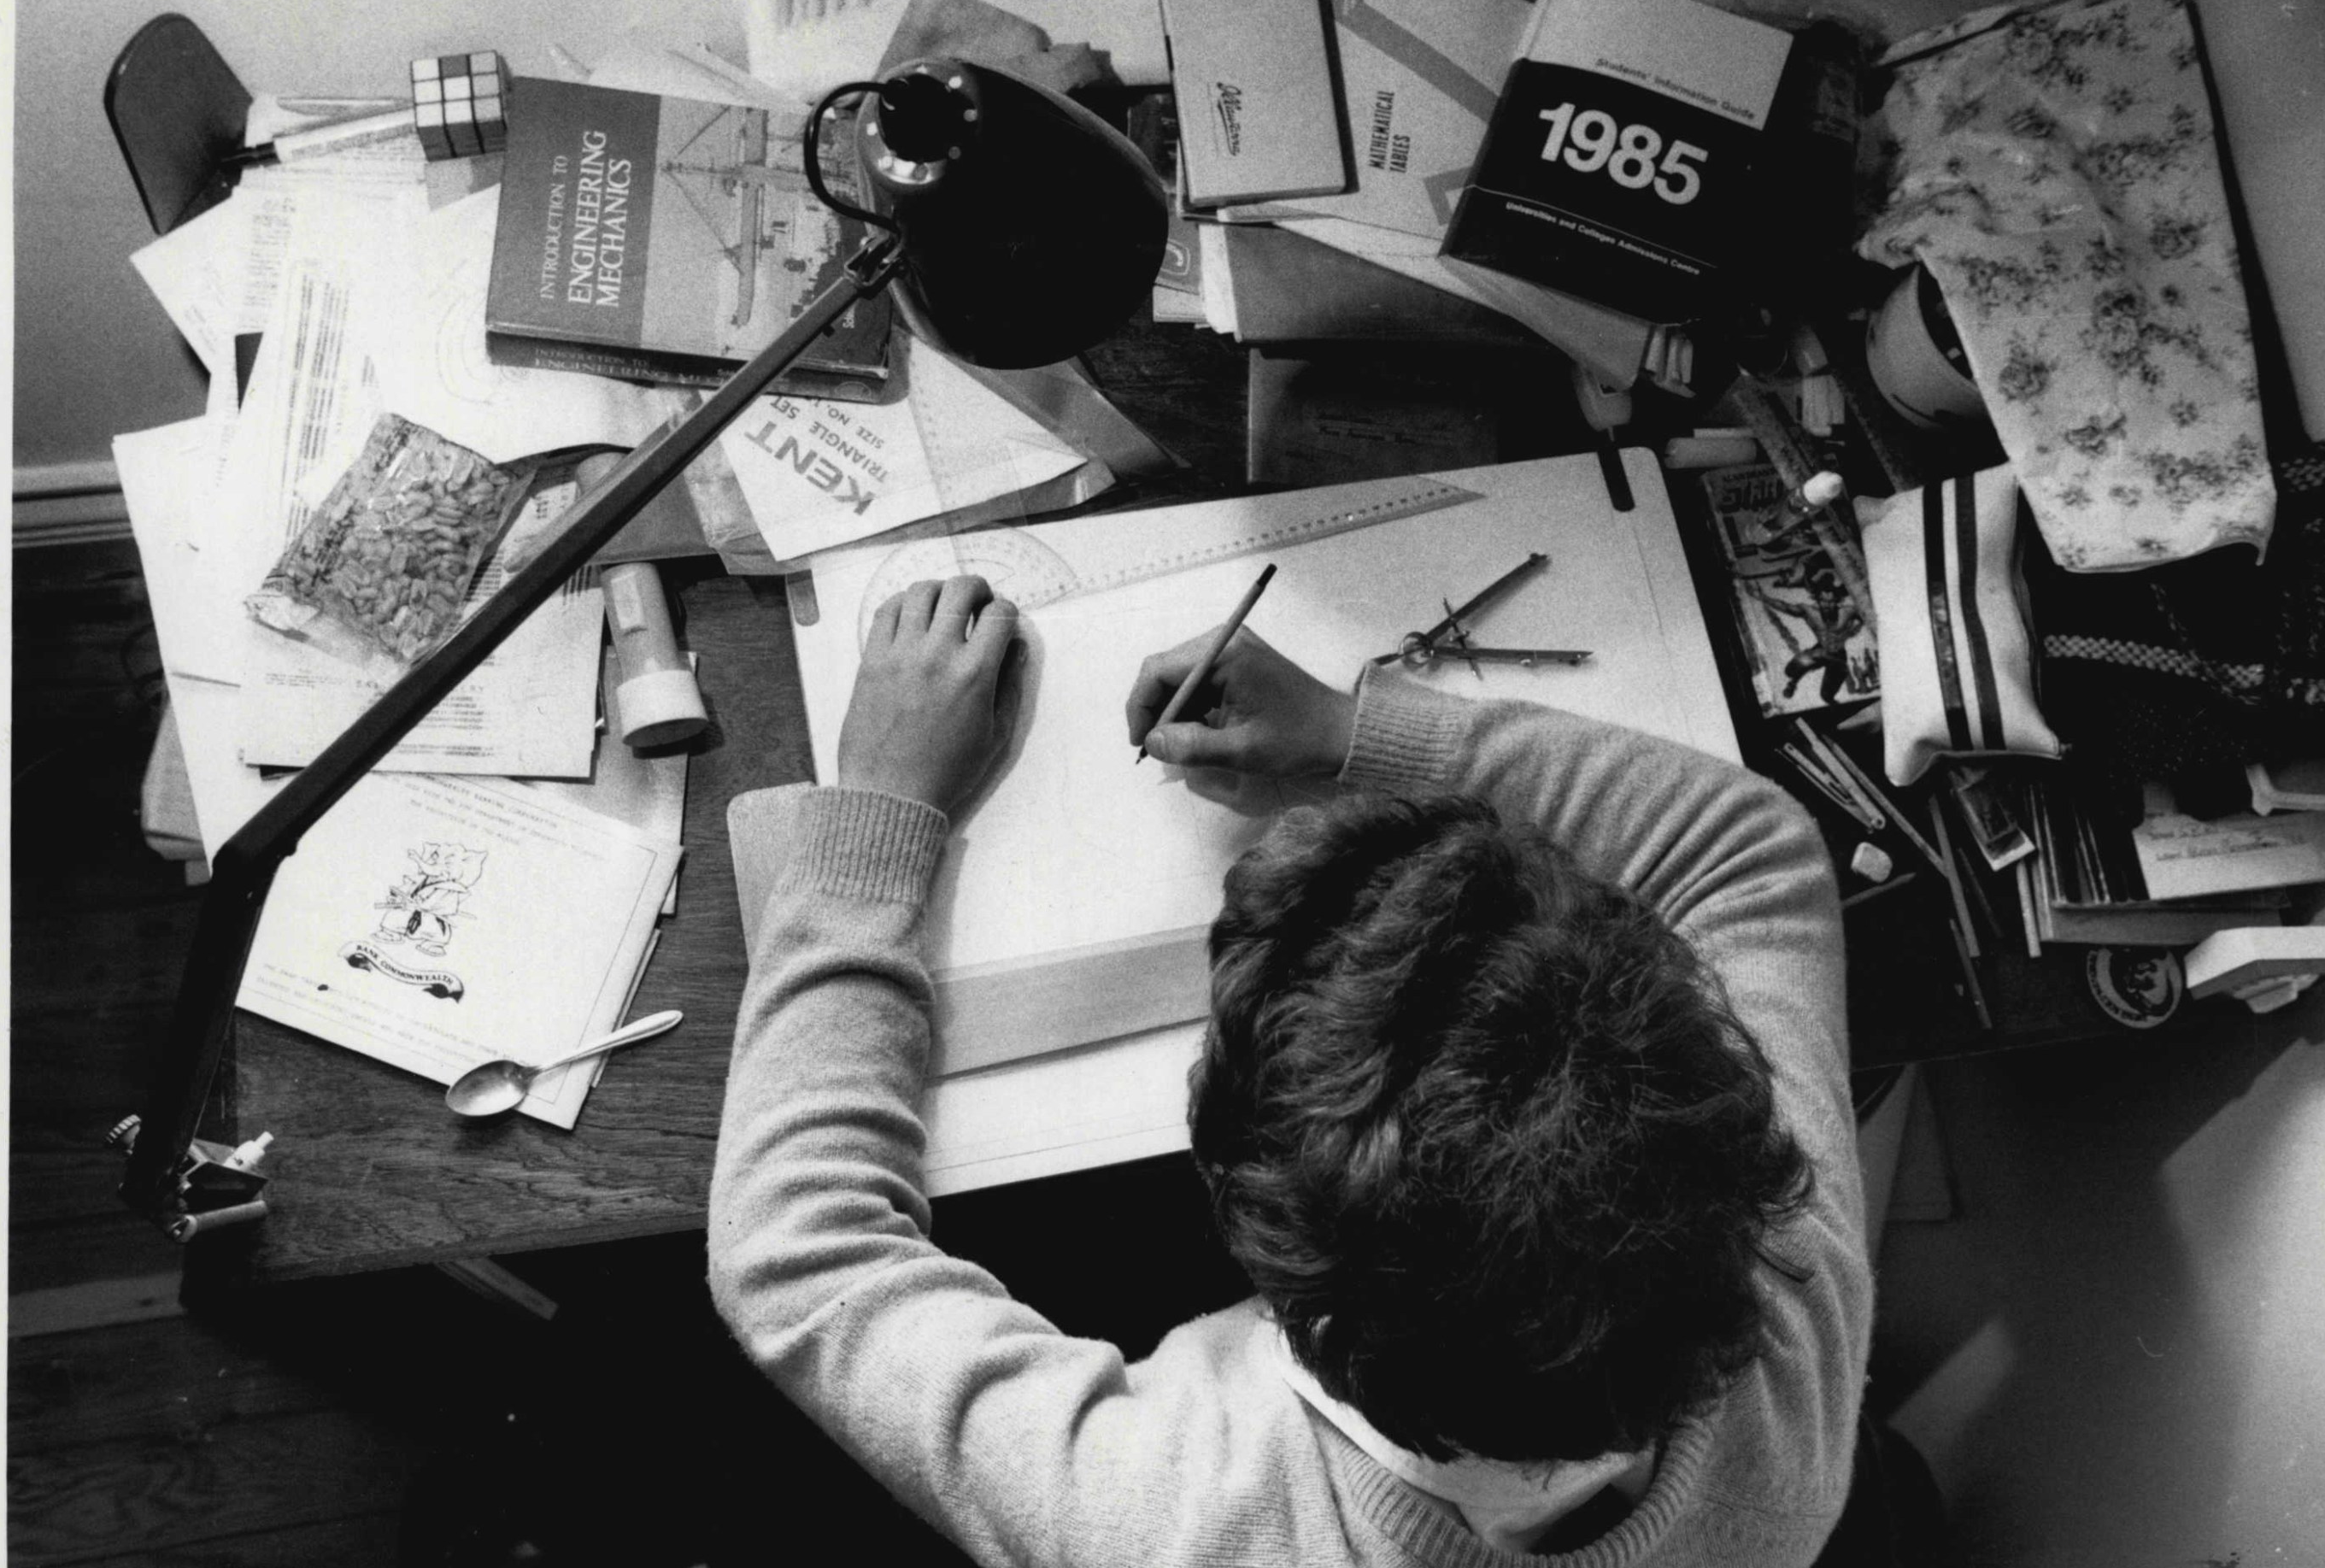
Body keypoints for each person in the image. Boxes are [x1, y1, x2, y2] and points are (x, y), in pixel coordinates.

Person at [708, 574, 1870, 1566]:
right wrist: (1345, 734)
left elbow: (797, 1253)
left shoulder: (1175, 1518)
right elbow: (1747, 850)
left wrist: (879, 810)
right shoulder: (1791, 1326)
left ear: (1270, 1253)